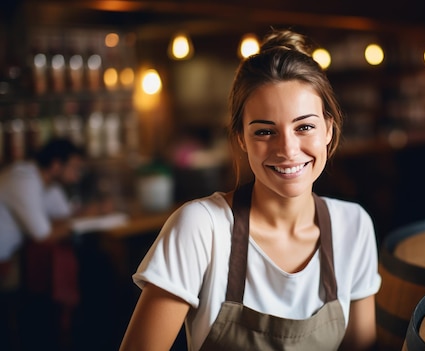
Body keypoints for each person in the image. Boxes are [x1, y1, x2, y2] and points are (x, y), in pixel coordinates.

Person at [120, 29, 381, 351]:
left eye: (304, 127)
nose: (287, 149)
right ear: (242, 138)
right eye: (265, 131)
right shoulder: (201, 227)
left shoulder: (353, 226)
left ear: (328, 128)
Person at [0, 136, 85, 350]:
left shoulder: (41, 182)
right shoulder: (24, 180)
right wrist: (79, 224)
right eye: (74, 168)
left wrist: (78, 219)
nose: (76, 176)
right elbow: (43, 234)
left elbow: (58, 217)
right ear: (56, 165)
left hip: (10, 259)